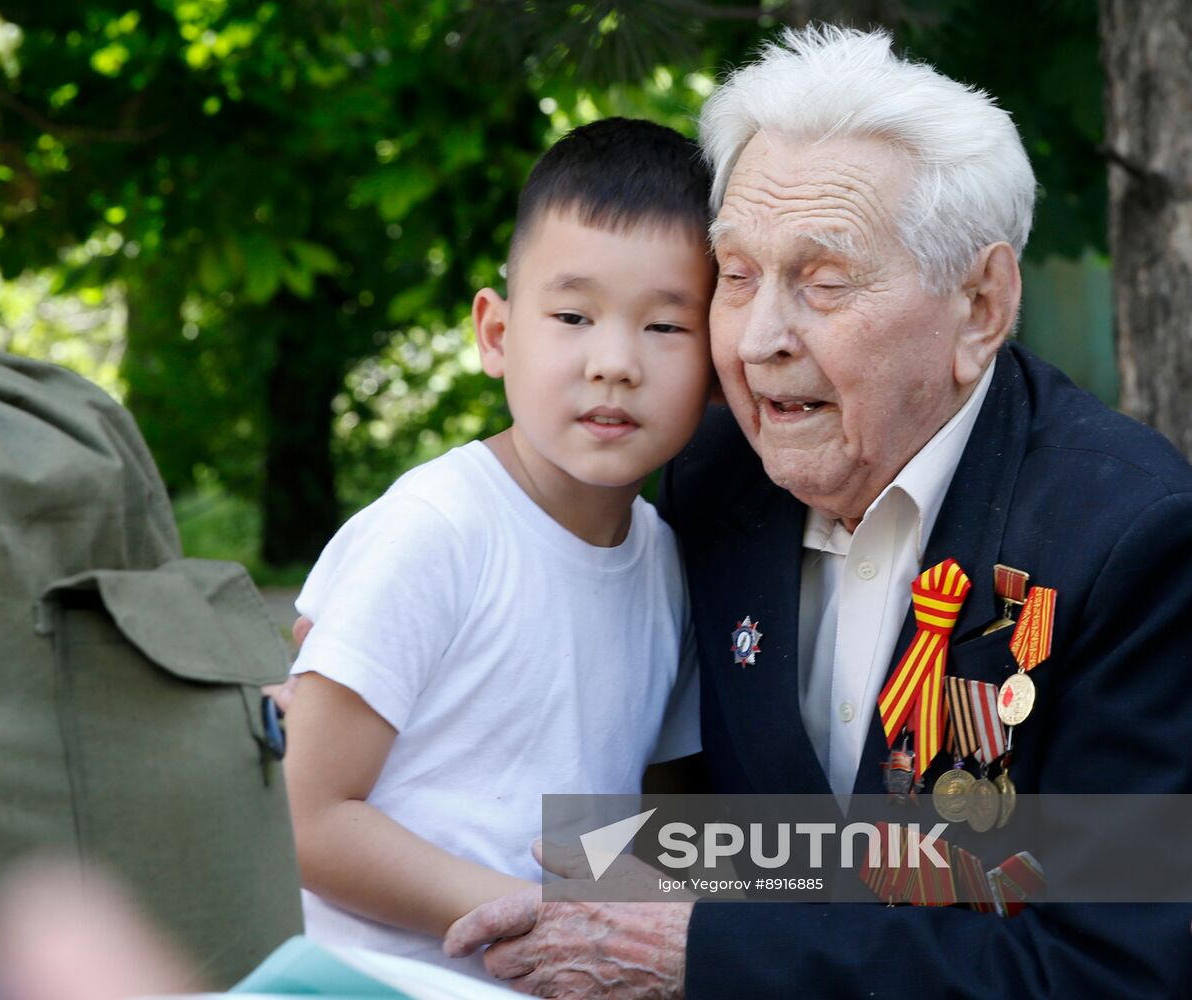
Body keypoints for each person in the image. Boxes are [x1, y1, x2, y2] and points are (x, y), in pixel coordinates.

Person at [443, 25, 1192, 996]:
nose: (757, 340)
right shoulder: (713, 474)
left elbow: (1113, 967)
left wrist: (695, 954)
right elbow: (778, 843)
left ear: (979, 305)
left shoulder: (1128, 539)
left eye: (824, 283)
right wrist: (391, 701)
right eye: (737, 277)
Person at [283, 118, 717, 977]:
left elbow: (637, 834)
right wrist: (538, 917)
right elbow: (305, 815)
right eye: (571, 314)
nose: (614, 362)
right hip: (379, 981)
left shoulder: (666, 566)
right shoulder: (437, 530)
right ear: (495, 333)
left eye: (665, 328)